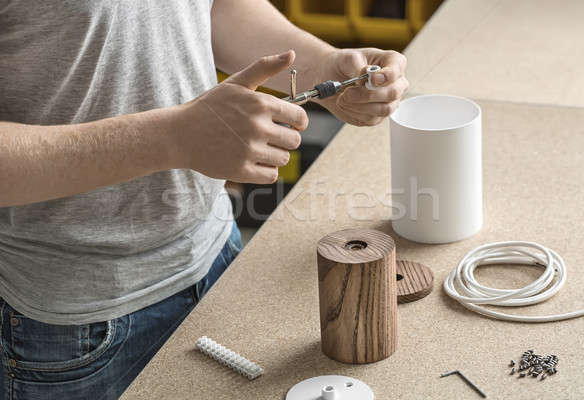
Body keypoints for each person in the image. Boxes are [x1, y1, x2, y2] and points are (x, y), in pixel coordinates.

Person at [0, 0, 408, 398]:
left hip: (216, 255)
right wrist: (170, 138)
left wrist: (324, 66)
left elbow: (211, 8)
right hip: (78, 323)